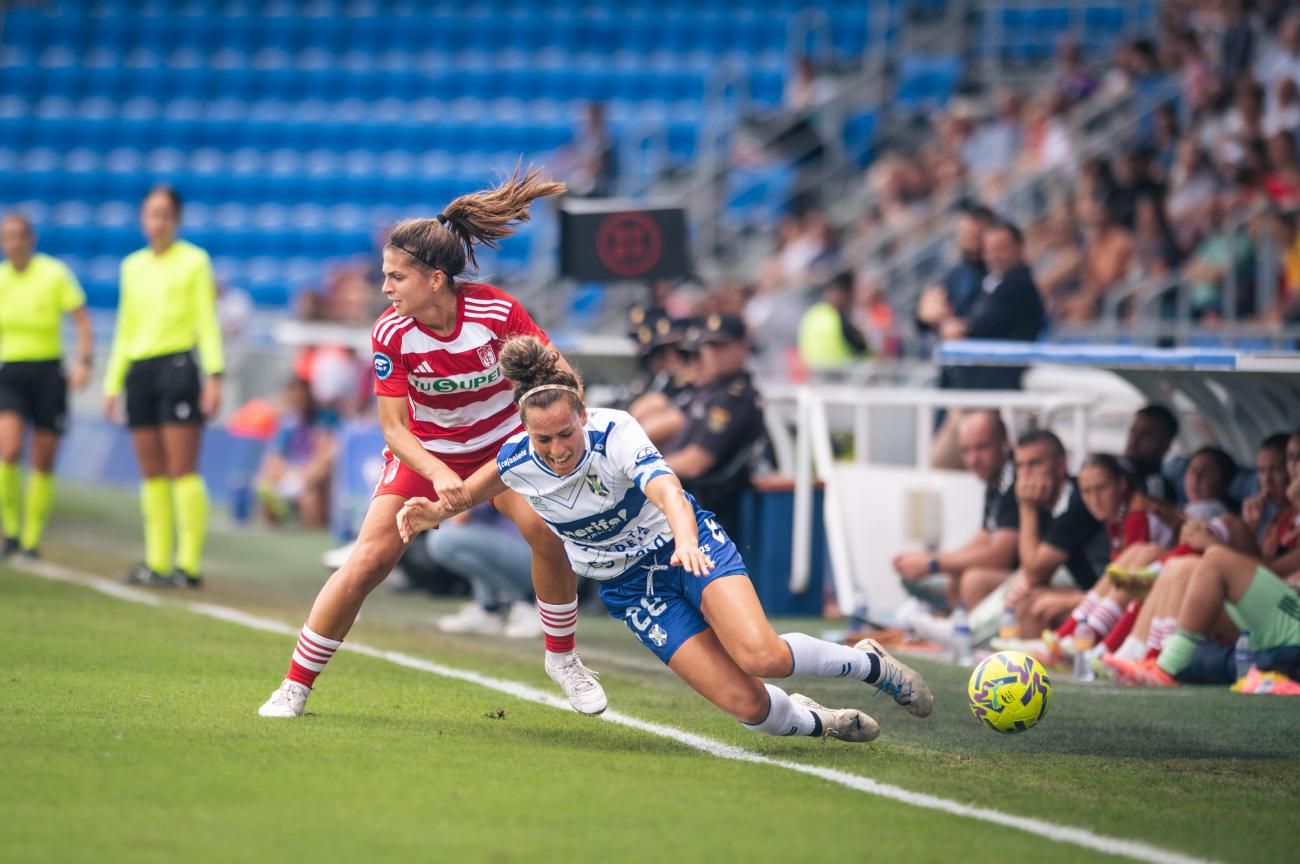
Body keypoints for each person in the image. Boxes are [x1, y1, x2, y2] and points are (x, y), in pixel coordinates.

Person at [397, 335, 933, 744]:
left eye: (566, 433)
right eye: (544, 438)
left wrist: (685, 540)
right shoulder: (516, 460)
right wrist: (427, 513)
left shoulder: (616, 432)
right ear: (525, 432)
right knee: (747, 707)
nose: (558, 448)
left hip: (686, 548)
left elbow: (669, 490)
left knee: (760, 655)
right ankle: (821, 722)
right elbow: (466, 495)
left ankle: (870, 665)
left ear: (583, 416)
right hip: (630, 588)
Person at [258, 169, 606, 719]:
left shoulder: (496, 312)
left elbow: (558, 376)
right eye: (384, 275)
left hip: (503, 449)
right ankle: (295, 685)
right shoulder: (391, 333)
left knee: (546, 533)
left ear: (436, 279)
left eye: (396, 276)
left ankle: (562, 658)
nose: (386, 287)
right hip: (424, 453)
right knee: (368, 560)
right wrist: (443, 476)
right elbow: (395, 429)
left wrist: (559, 428)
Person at [103, 186, 223, 588]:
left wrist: (214, 376)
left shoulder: (194, 261)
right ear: (143, 218)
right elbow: (125, 327)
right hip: (139, 370)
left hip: (177, 367)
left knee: (182, 468)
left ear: (176, 219)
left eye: (165, 214)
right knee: (152, 471)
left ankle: (188, 566)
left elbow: (206, 322)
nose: (157, 222)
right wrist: (112, 381)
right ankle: (157, 562)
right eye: (151, 214)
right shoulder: (132, 266)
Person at [0, 213, 93, 557]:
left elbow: (82, 320)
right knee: (8, 450)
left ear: (31, 239)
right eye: (7, 237)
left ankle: (32, 538)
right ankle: (9, 530)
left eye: (18, 236)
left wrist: (84, 361)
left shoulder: (54, 274)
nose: (13, 244)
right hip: (10, 372)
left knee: (44, 457)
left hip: (48, 373)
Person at [1041, 453, 1175, 662]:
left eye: (1101, 488)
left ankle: (1087, 642)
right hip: (1155, 600)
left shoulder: (1137, 516)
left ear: (1121, 485)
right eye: (1086, 492)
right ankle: (1068, 638)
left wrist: (1072, 601)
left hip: (1168, 602)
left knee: (1132, 568)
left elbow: (1130, 590)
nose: (1094, 500)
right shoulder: (1116, 516)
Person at [891, 411, 1018, 612]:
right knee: (956, 574)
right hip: (1015, 575)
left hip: (1048, 576)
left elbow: (999, 556)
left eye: (982, 447)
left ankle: (965, 636)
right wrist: (927, 559)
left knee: (974, 579)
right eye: (966, 451)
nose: (973, 459)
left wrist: (931, 564)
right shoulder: (995, 478)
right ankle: (954, 630)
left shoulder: (1015, 479)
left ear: (1004, 443)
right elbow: (983, 538)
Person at [1001, 430, 1110, 638]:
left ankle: (1024, 665)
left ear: (1061, 466)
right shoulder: (1046, 500)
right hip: (1092, 591)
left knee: (1033, 604)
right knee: (1021, 593)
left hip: (1108, 597)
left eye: (1034, 464)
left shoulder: (1082, 499)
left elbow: (1035, 570)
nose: (1025, 475)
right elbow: (1033, 572)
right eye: (1019, 466)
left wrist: (1026, 508)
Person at [664, 314, 764, 537]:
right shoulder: (711, 391)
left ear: (741, 347)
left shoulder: (733, 398)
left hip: (707, 512)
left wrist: (644, 470)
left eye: (721, 346)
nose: (712, 354)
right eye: (708, 345)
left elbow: (696, 462)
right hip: (687, 504)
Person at [430, 504, 541, 639]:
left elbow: (461, 517)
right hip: (524, 546)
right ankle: (490, 609)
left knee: (444, 539)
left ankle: (530, 603)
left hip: (536, 552)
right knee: (463, 539)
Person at [254, 377, 339, 529]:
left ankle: (295, 494)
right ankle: (283, 499)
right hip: (291, 473)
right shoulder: (286, 422)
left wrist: (301, 479)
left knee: (310, 501)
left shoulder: (325, 418)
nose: (297, 400)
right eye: (293, 396)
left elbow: (327, 455)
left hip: (312, 480)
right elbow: (274, 456)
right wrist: (287, 474)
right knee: (266, 481)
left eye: (301, 395)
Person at [797, 269, 868, 372]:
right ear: (844, 293)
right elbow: (861, 349)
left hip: (814, 378)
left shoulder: (811, 313)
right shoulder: (838, 318)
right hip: (840, 378)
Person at [1122, 404, 1179, 503]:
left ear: (1166, 445)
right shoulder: (1117, 474)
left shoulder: (1156, 488)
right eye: (1133, 431)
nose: (1134, 440)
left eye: (1146, 435)